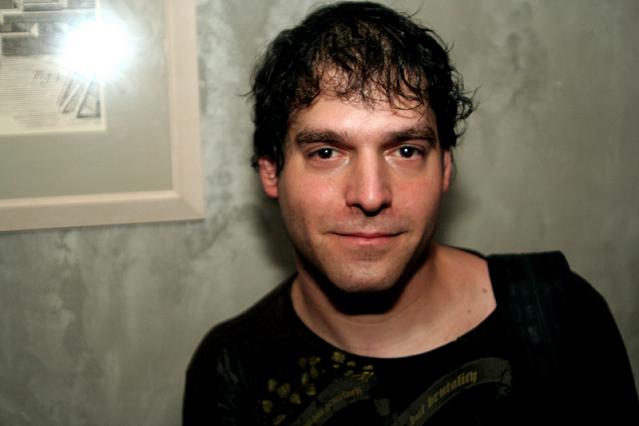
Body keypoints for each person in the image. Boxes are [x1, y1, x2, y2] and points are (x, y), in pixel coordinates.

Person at [183, 2, 638, 424]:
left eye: (405, 150)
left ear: (445, 169)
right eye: (326, 152)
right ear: (271, 172)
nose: (370, 195)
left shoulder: (561, 315)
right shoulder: (231, 368)